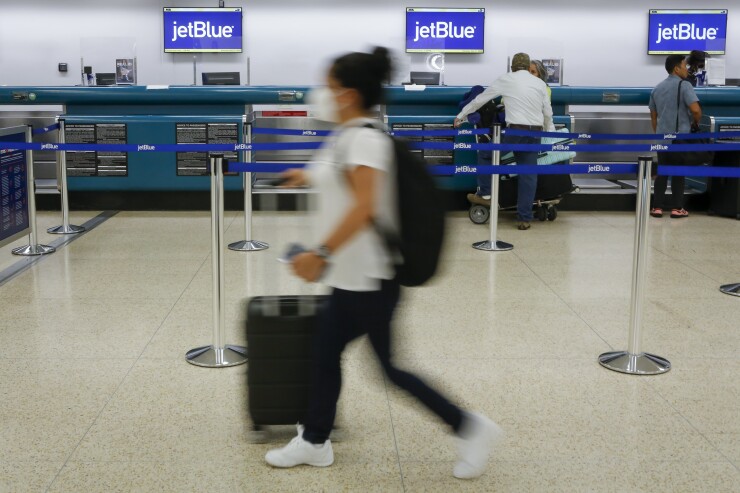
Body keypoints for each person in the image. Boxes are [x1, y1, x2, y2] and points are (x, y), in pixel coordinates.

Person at [264, 47, 504, 480]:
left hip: (370, 277)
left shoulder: (364, 140)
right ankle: (316, 439)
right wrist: (298, 176)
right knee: (326, 353)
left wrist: (319, 255)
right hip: (352, 276)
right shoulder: (348, 134)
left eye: (330, 86)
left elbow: (363, 207)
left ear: (348, 95)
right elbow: (327, 172)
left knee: (386, 368)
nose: (322, 94)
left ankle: (470, 427)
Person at [455, 53, 555, 230]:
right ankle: (524, 219)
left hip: (514, 131)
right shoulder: (540, 83)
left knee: (486, 154)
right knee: (528, 176)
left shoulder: (506, 79)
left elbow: (480, 99)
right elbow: (547, 113)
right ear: (526, 66)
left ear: (512, 67)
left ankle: (486, 195)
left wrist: (461, 115)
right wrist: (550, 132)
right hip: (535, 134)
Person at [648, 54, 702, 218]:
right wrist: (695, 123)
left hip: (662, 137)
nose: (686, 69)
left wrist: (660, 133)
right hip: (680, 137)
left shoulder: (657, 88)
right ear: (676, 68)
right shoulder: (685, 86)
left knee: (662, 171)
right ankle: (677, 208)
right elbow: (695, 110)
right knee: (678, 173)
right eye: (684, 66)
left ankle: (657, 207)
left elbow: (653, 116)